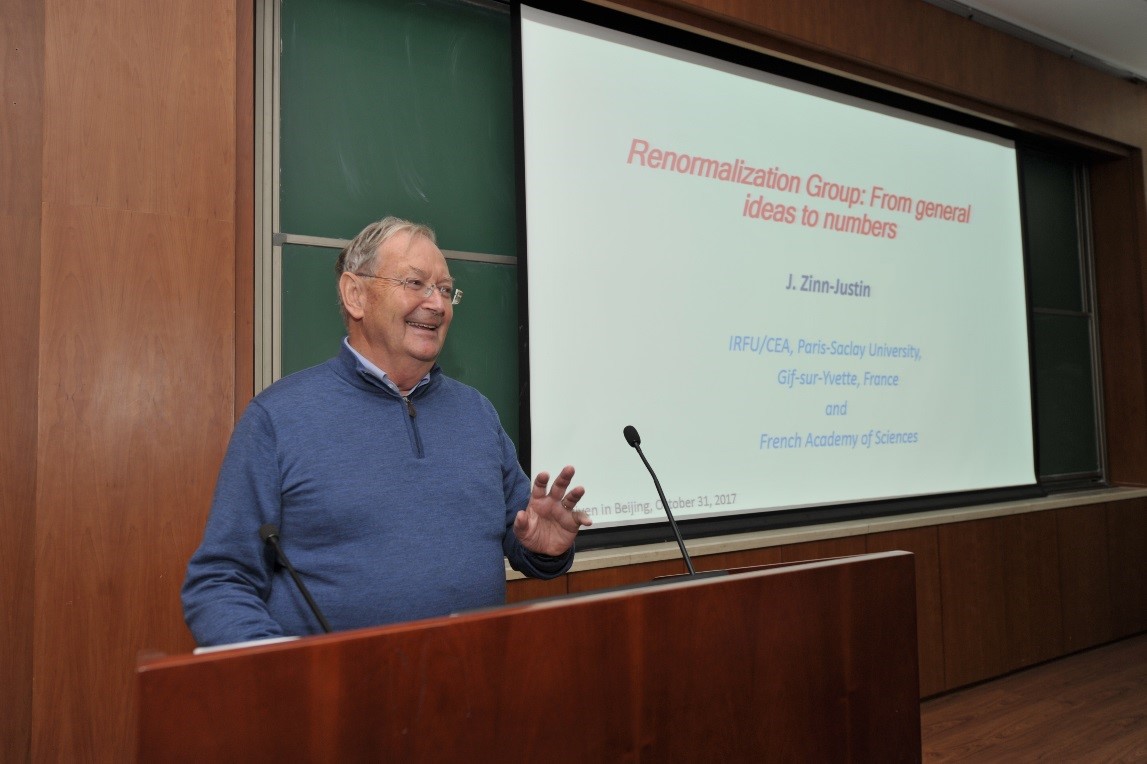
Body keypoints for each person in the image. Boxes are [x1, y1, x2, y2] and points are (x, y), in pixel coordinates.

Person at [182, 216, 590, 646]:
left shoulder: (477, 414)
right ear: (355, 295)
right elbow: (219, 582)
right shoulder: (277, 419)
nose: (437, 304)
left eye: (445, 290)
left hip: (472, 674)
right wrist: (283, 670)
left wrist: (546, 548)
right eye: (415, 283)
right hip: (333, 684)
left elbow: (522, 537)